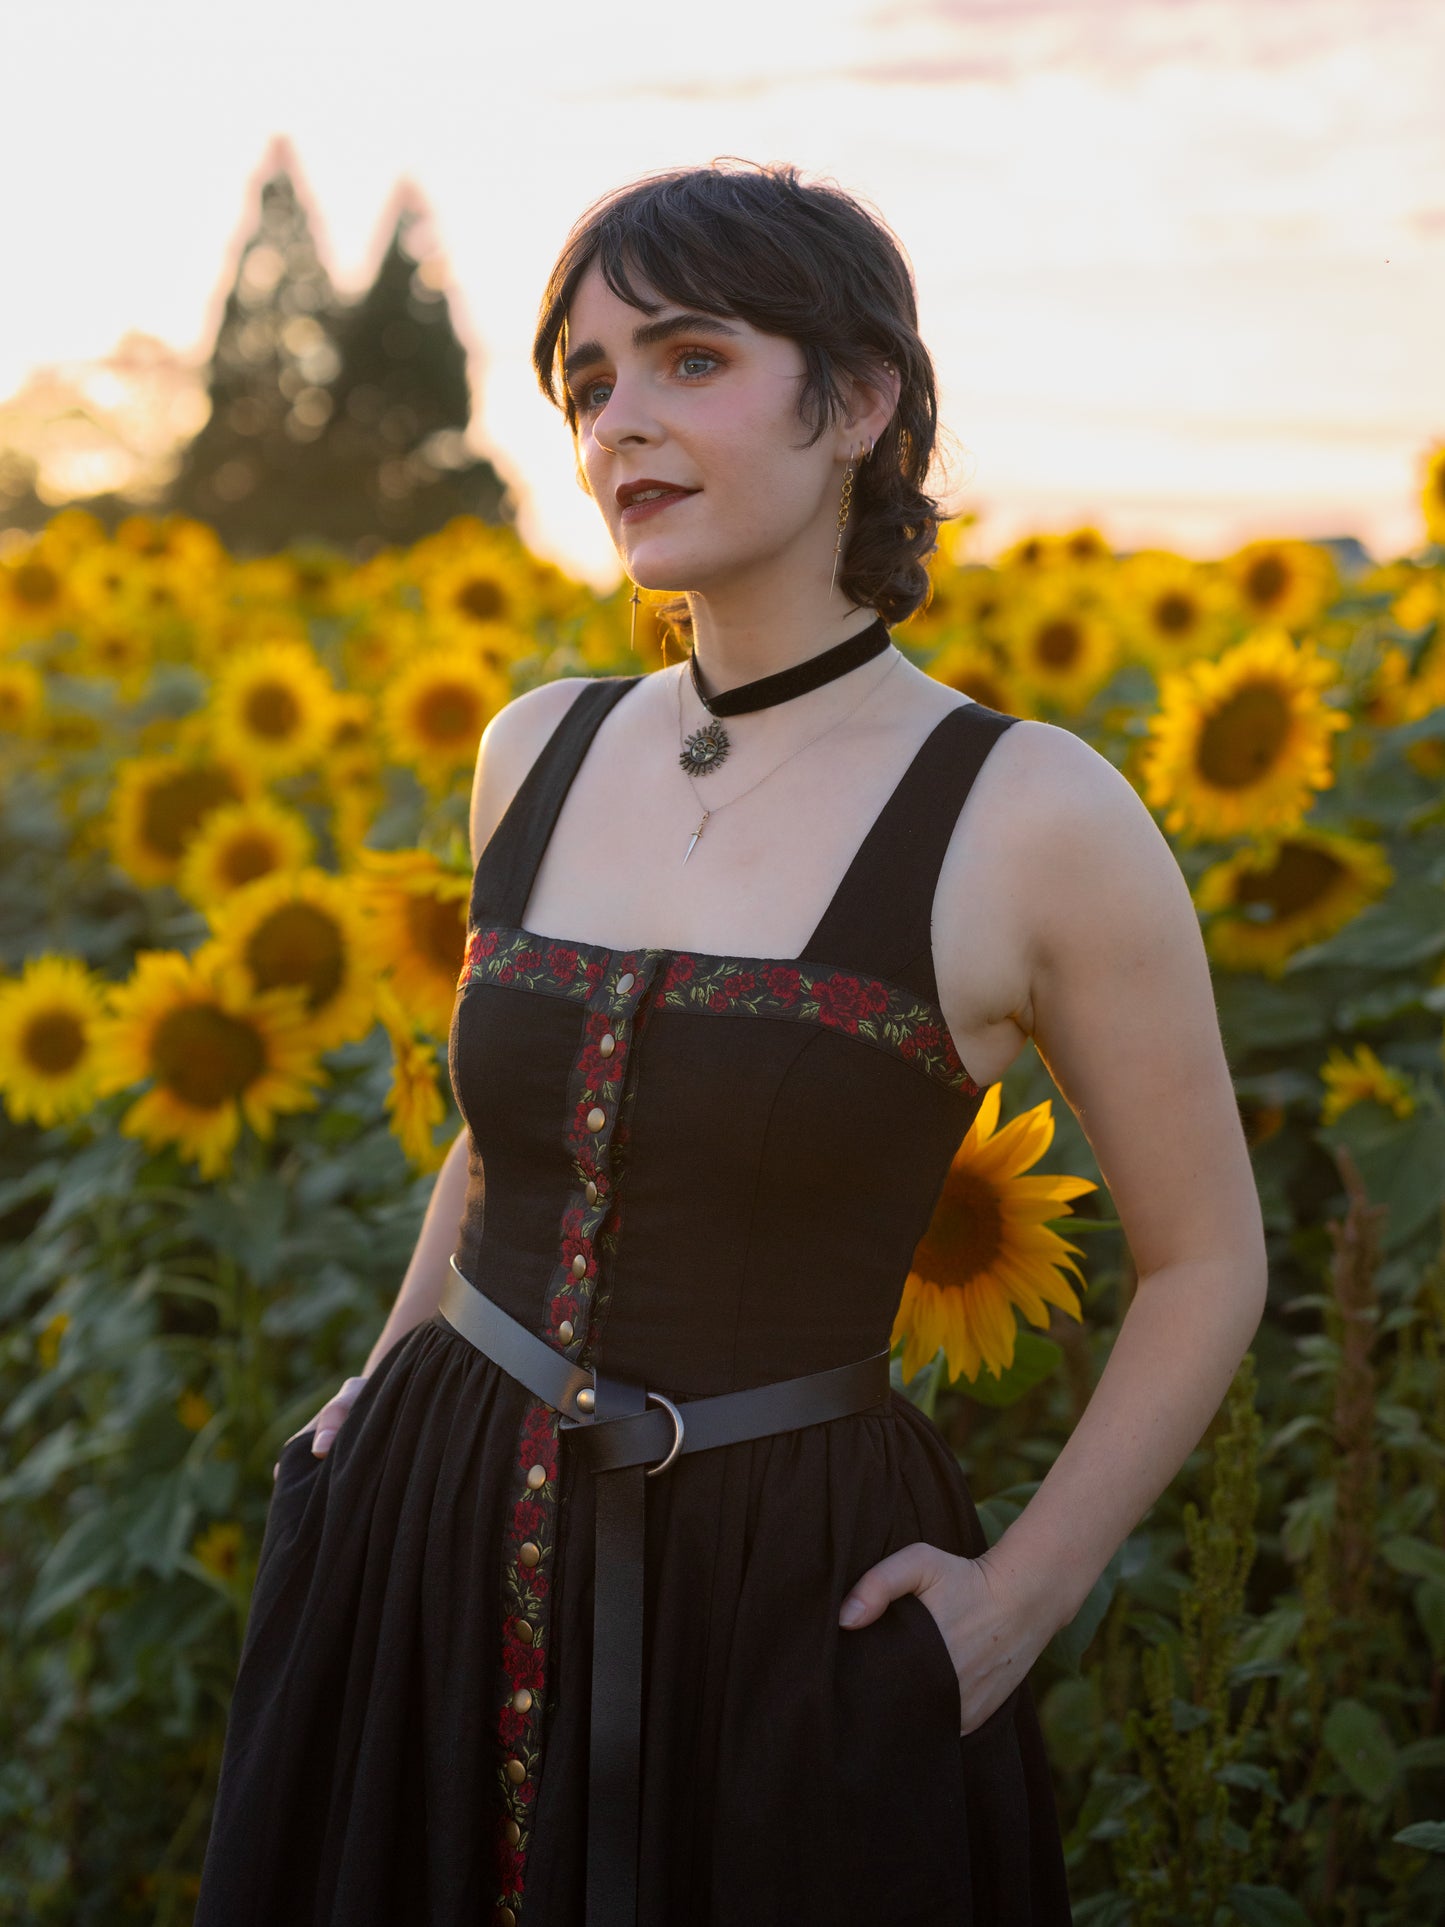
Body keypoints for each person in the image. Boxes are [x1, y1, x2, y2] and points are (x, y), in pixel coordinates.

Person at [194, 159, 1267, 1927]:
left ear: (857, 401)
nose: (622, 424)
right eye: (589, 381)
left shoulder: (1031, 814)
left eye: (690, 360)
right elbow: (503, 1131)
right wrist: (369, 1403)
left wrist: (1015, 1599)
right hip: (431, 1529)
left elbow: (1207, 1255)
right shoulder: (534, 747)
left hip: (779, 1595)